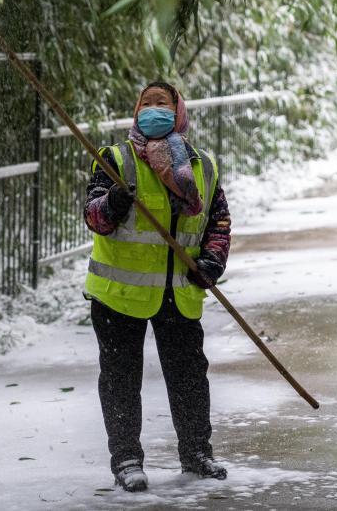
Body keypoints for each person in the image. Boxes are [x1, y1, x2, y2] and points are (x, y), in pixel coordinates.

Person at [82, 80, 232, 492]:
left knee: (188, 376)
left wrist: (212, 262)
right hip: (119, 295)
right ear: (135, 112)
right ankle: (127, 460)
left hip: (179, 290)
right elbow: (94, 217)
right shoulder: (114, 160)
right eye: (145, 103)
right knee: (120, 379)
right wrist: (112, 202)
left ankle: (197, 453)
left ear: (178, 110)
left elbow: (218, 222)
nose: (152, 110)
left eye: (161, 103)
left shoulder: (202, 166)